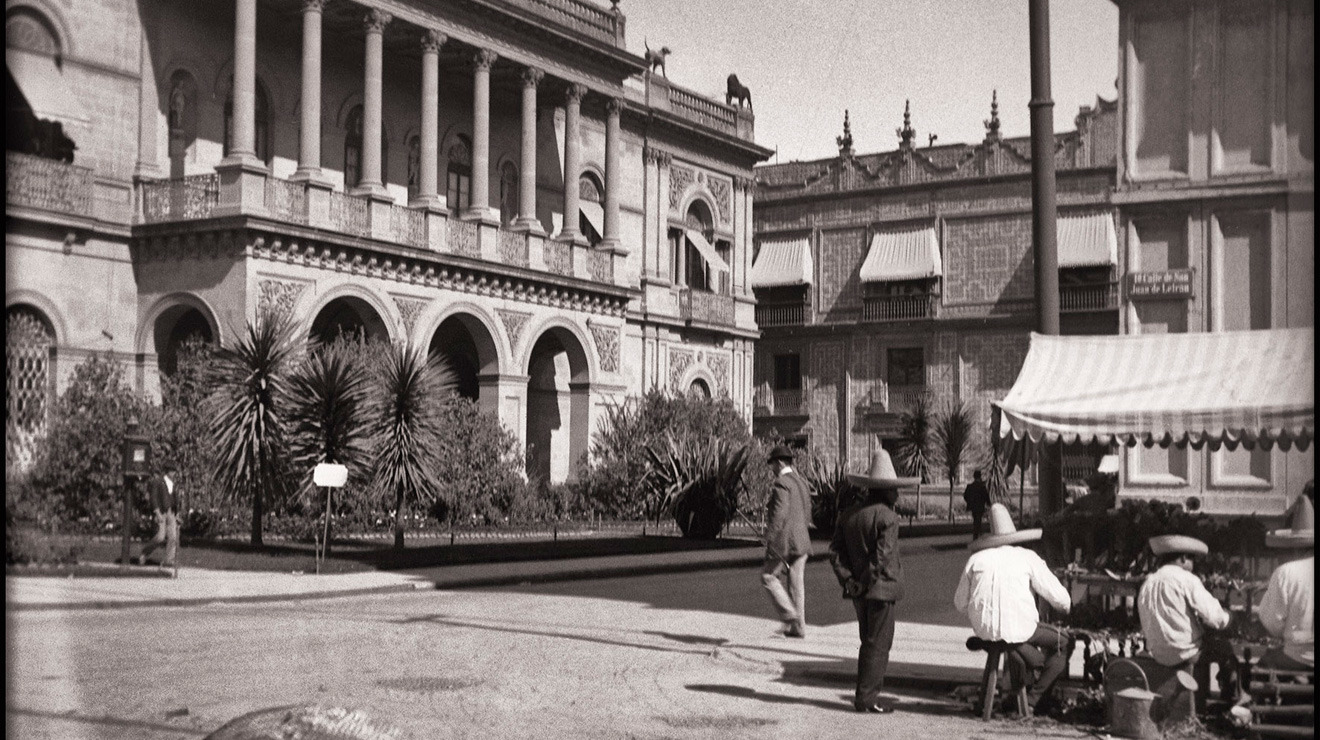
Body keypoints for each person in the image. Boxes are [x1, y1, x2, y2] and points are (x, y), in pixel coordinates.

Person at [954, 503, 1074, 715]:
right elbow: (1060, 598)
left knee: (1014, 639)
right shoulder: (1026, 558)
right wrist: (1066, 608)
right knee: (1062, 643)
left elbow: (959, 603)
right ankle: (1034, 698)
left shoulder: (976, 560)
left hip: (985, 632)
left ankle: (1016, 688)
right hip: (1020, 630)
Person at [830, 447, 915, 713]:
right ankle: (867, 698)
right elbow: (881, 557)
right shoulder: (888, 517)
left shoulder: (849, 515)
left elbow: (835, 553)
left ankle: (866, 695)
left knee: (868, 641)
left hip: (858, 591)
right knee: (878, 644)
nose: (897, 494)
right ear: (884, 490)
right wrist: (866, 582)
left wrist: (849, 581)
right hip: (880, 590)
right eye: (894, 489)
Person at [1136, 534, 1235, 709]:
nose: (1193, 565)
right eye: (1192, 560)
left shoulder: (1148, 583)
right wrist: (1229, 617)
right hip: (1185, 653)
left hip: (1158, 653)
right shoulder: (1186, 579)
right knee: (1225, 649)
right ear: (1183, 558)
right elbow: (1215, 618)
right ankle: (1231, 701)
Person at [1255, 495, 1313, 671]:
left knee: (1264, 663)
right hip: (1301, 653)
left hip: (1299, 657)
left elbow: (1272, 623)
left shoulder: (1286, 572)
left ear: (1295, 547)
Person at [761, 445, 813, 638]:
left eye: (773, 464)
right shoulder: (801, 483)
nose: (772, 468)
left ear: (780, 462)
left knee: (768, 577)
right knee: (796, 584)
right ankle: (799, 628)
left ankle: (789, 614)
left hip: (785, 541)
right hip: (802, 539)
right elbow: (807, 512)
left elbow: (779, 515)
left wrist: (769, 539)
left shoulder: (781, 483)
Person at [137, 471, 179, 568]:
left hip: (171, 512)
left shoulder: (173, 483)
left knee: (173, 537)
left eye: (174, 471)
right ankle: (145, 552)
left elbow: (175, 498)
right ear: (167, 471)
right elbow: (154, 498)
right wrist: (157, 512)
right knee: (160, 537)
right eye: (171, 470)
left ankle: (169, 560)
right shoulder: (158, 482)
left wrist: (177, 513)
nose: (173, 473)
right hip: (161, 511)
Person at [962, 470, 991, 539]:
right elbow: (986, 496)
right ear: (980, 476)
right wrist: (989, 504)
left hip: (973, 506)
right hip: (980, 506)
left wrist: (970, 502)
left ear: (974, 477)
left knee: (976, 519)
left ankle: (977, 533)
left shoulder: (970, 486)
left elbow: (965, 496)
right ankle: (978, 533)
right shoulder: (982, 487)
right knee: (978, 519)